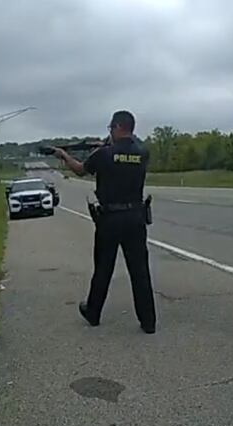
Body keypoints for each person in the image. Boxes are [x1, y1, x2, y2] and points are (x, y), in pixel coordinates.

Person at [53, 110, 156, 334]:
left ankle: (93, 311)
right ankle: (148, 321)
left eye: (111, 128)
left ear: (118, 127)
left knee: (103, 268)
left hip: (110, 219)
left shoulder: (103, 154)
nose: (109, 131)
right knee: (140, 270)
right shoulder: (143, 153)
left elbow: (80, 170)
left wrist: (64, 155)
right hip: (136, 217)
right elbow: (126, 156)